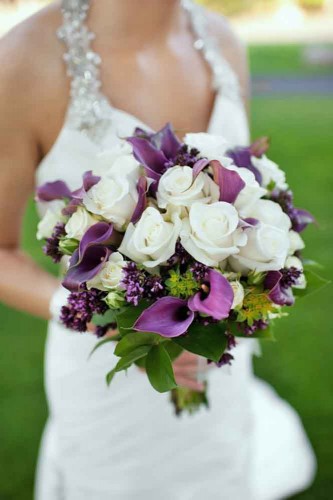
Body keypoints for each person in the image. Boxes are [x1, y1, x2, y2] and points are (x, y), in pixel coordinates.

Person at [0, 1, 317, 499]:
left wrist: (242, 284)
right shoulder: (23, 61)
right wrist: (89, 312)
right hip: (107, 376)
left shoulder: (223, 43)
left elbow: (242, 190)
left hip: (219, 370)